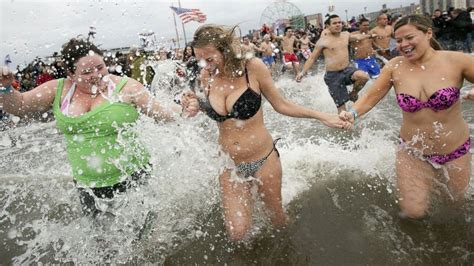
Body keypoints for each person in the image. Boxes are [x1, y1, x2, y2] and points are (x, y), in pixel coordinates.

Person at [187, 24, 351, 241]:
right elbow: (207, 107)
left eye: (209, 59)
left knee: (277, 221)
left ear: (225, 50)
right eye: (199, 59)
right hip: (230, 166)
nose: (204, 65)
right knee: (238, 234)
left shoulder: (252, 68)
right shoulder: (206, 75)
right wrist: (194, 105)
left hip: (263, 160)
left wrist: (322, 116)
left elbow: (281, 104)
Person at [0, 38, 199, 216]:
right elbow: (20, 107)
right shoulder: (59, 89)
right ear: (70, 73)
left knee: (142, 245)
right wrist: (6, 88)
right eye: (86, 72)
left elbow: (162, 112)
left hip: (133, 178)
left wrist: (184, 109)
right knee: (101, 247)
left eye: (100, 67)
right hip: (87, 185)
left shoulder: (126, 87)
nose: (97, 75)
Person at [339, 15, 474, 220]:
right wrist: (352, 113)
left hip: (456, 151)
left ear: (428, 33)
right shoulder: (395, 66)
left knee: (454, 208)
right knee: (413, 211)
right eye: (399, 40)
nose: (403, 45)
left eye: (409, 38)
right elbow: (370, 97)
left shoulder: (457, 61)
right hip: (413, 151)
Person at [296, 14, 373, 113]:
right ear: (328, 26)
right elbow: (312, 58)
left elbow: (357, 36)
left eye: (339, 22)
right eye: (335, 23)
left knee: (364, 76)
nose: (338, 25)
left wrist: (370, 35)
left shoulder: (345, 35)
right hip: (333, 76)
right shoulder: (323, 41)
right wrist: (302, 72)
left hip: (347, 70)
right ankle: (342, 124)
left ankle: (353, 93)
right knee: (342, 111)